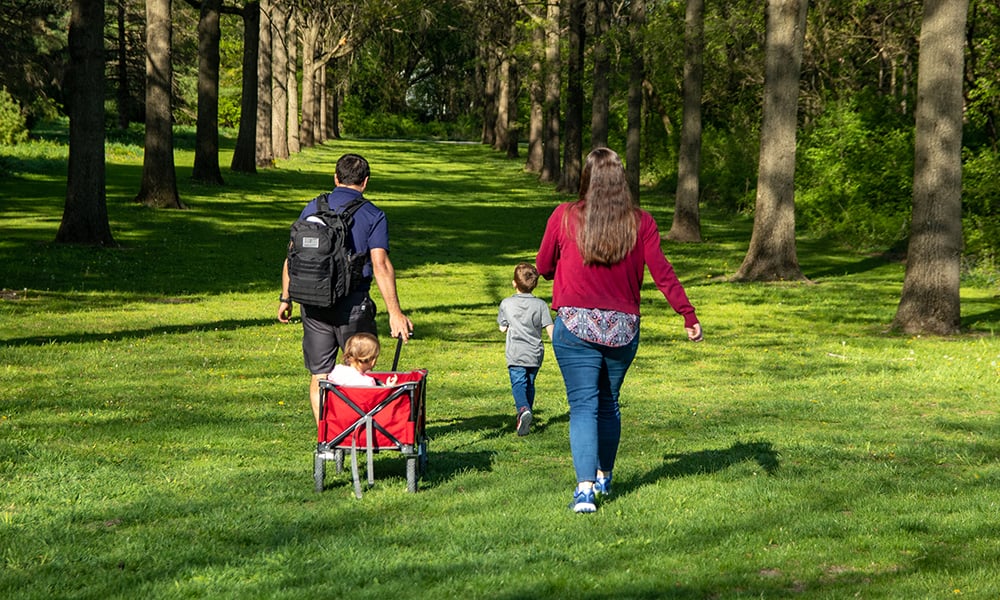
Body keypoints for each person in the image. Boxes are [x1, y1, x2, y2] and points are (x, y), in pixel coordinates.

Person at [535, 147, 703, 514]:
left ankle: (584, 491)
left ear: (586, 179)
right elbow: (663, 272)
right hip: (622, 330)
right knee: (608, 404)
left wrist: (555, 273)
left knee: (583, 406)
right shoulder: (641, 222)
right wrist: (687, 315)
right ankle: (604, 477)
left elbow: (543, 264)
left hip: (575, 326)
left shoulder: (564, 217)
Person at [278, 153, 413, 428]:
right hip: (353, 306)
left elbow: (293, 255)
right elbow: (381, 264)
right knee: (360, 370)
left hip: (313, 304)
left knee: (320, 375)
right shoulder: (373, 214)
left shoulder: (312, 207)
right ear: (365, 182)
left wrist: (285, 297)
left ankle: (327, 439)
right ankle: (359, 434)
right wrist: (395, 313)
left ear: (335, 178)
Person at [497, 262, 554, 436]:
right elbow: (550, 327)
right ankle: (525, 418)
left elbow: (502, 327)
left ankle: (523, 410)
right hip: (535, 353)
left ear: (514, 283)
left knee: (518, 383)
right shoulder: (541, 305)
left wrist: (507, 326)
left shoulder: (506, 304)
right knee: (529, 382)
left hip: (516, 352)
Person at [327, 333, 398, 387]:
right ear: (372, 360)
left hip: (337, 406)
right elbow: (377, 402)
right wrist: (388, 389)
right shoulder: (367, 382)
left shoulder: (336, 371)